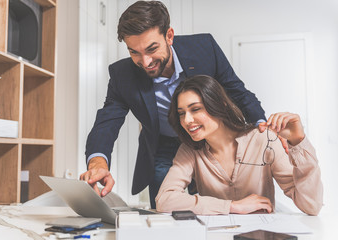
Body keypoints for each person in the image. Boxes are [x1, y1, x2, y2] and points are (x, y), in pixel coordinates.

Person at [80, 1, 266, 208]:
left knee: (220, 207)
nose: (146, 61)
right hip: (164, 146)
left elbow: (237, 91)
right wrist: (97, 164)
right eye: (134, 52)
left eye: (152, 49)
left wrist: (263, 129)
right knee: (164, 208)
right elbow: (107, 122)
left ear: (169, 36)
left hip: (210, 142)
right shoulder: (122, 75)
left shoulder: (204, 48)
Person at [155, 75, 323, 215]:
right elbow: (164, 200)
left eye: (196, 109)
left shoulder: (264, 139)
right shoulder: (189, 150)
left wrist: (299, 141)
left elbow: (312, 206)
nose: (187, 120)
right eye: (181, 113)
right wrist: (232, 206)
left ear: (220, 104)